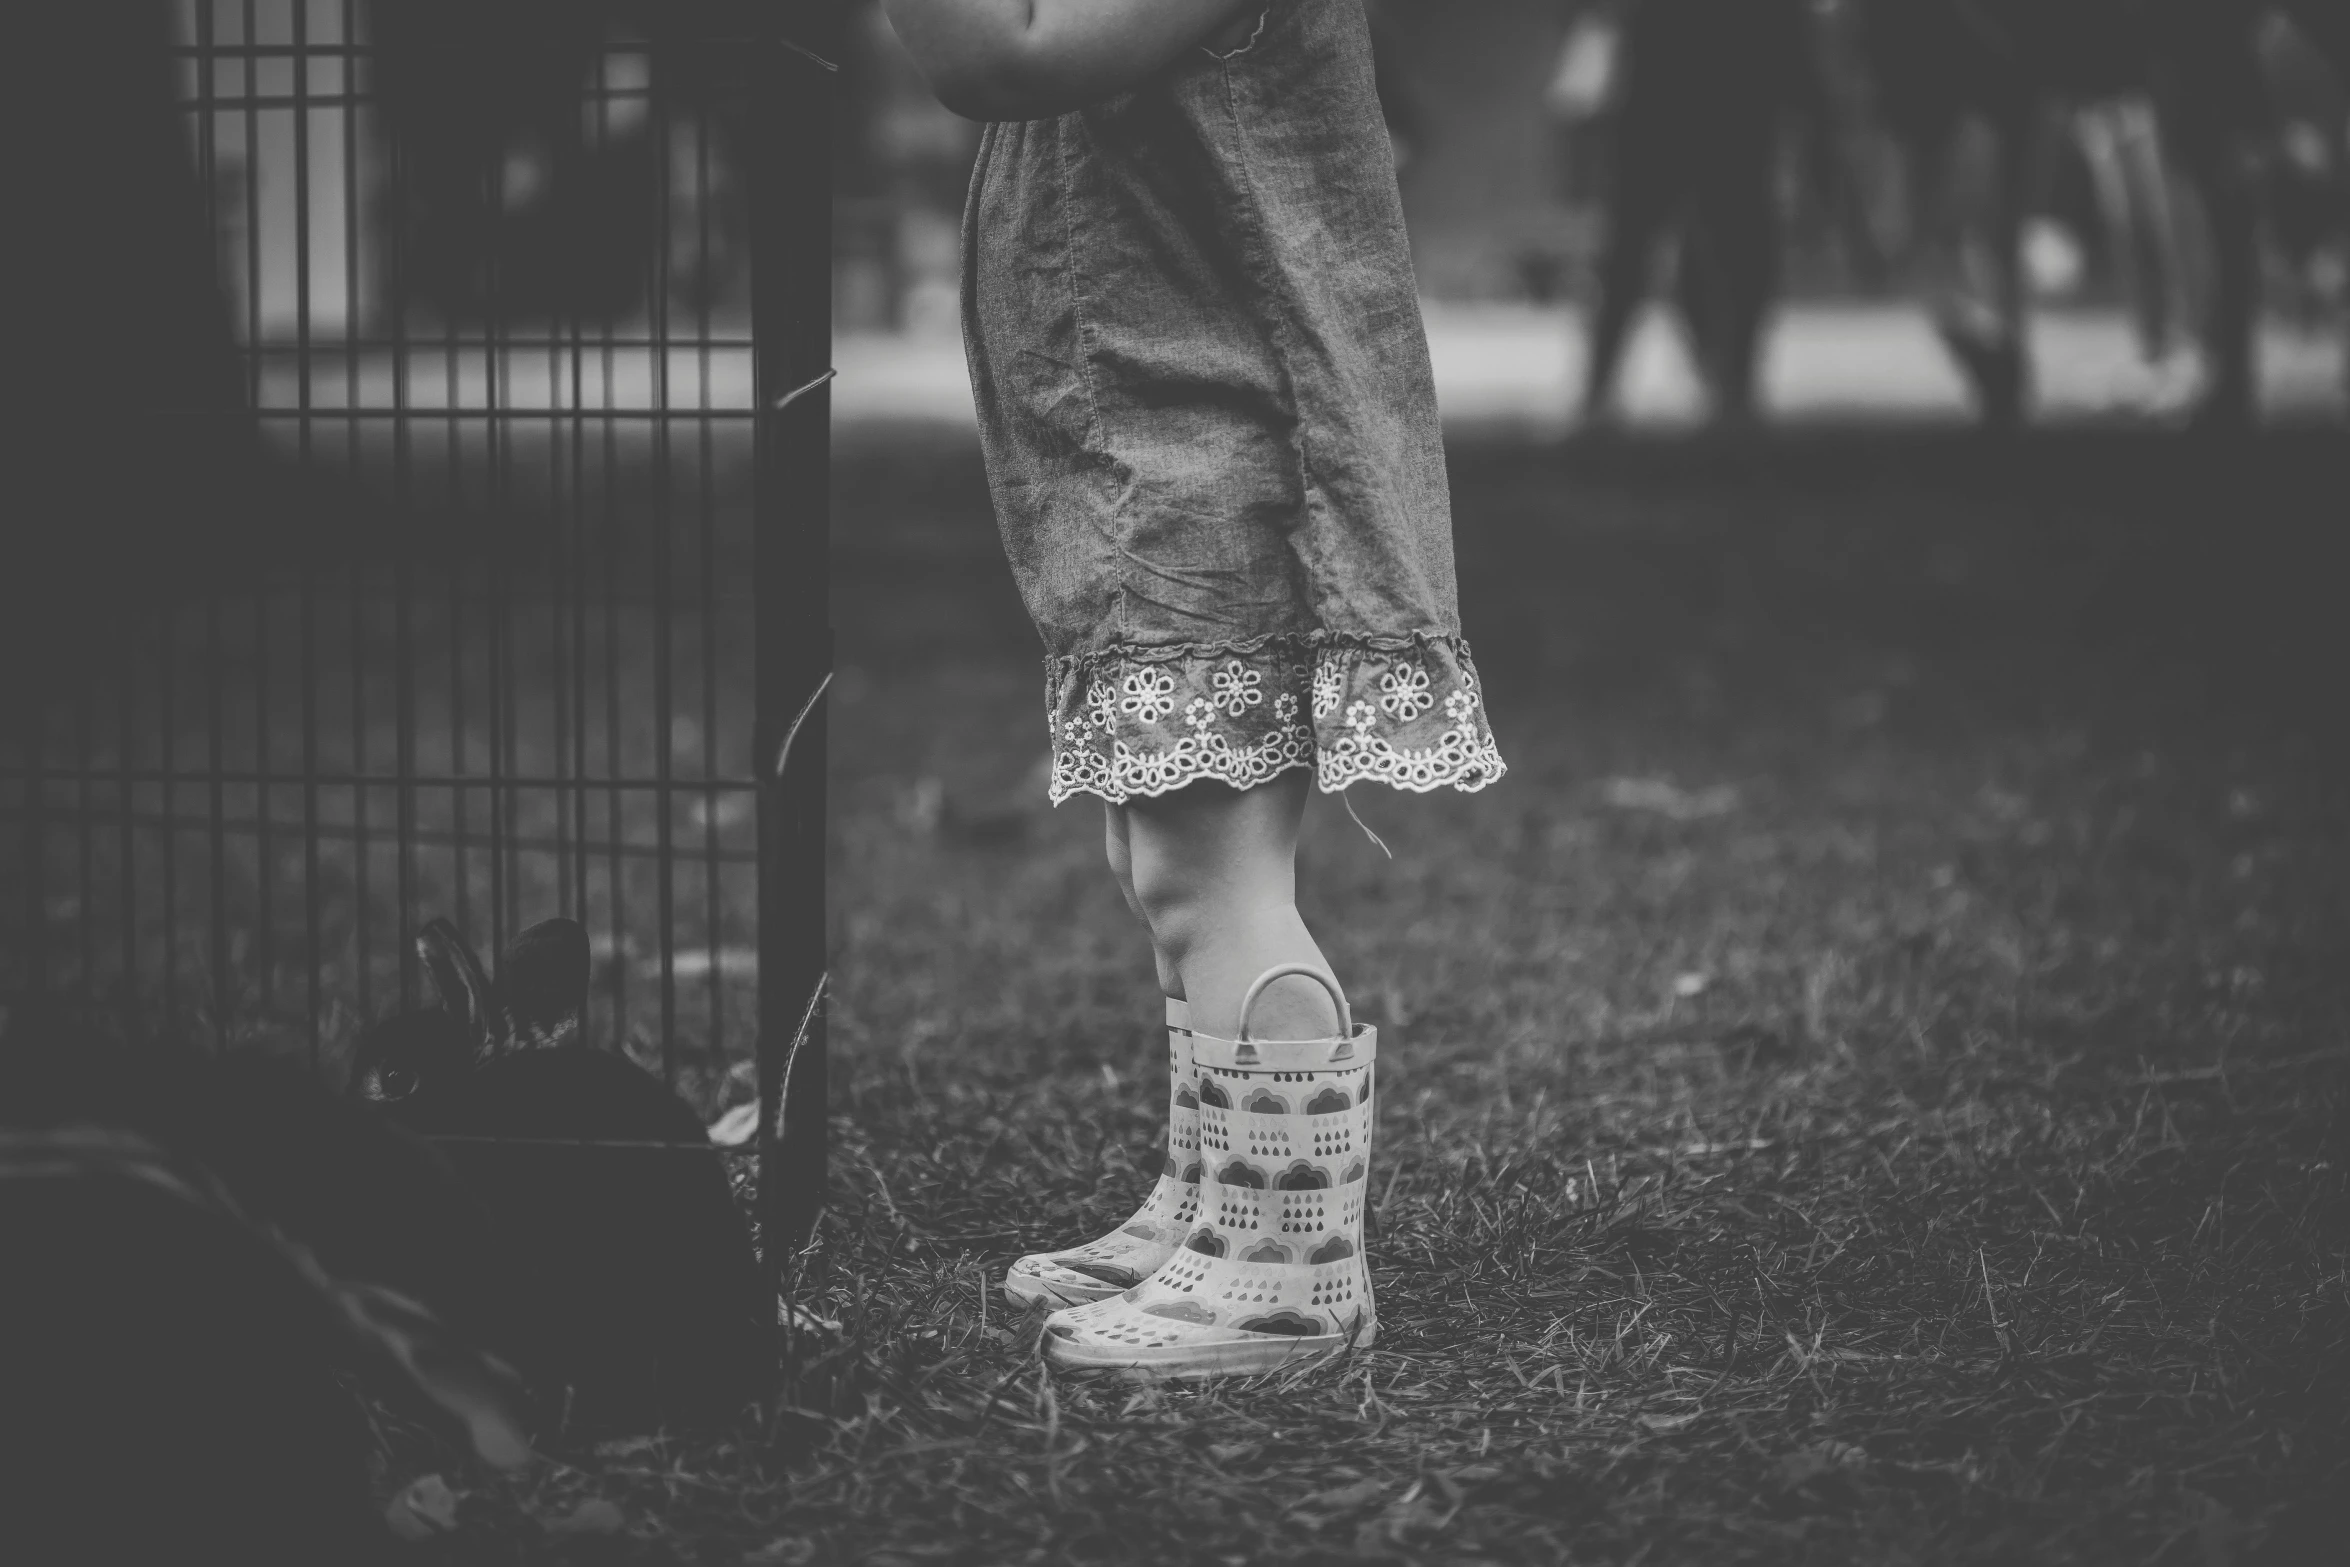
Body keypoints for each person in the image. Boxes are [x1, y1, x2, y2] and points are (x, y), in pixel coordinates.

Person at [880, 0, 1506, 1380]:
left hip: (1208, 472)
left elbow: (998, 57)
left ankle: (1286, 1279)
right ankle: (1215, 1196)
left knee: (1208, 878)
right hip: (1142, 467)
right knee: (1155, 854)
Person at [1576, 0, 1835, 429]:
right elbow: (1796, 55)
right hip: (1721, 112)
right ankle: (1731, 386)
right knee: (1735, 253)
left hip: (1670, 108)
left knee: (1638, 252)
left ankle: (1611, 389)